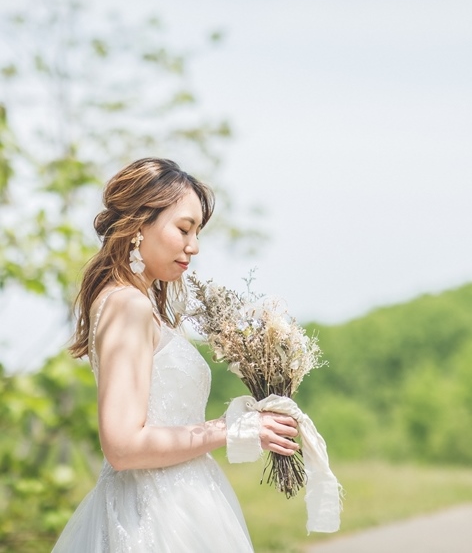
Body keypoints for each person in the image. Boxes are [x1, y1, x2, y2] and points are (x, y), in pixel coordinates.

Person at [53, 157, 300, 552]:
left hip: (181, 507)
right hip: (152, 519)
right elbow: (122, 446)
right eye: (183, 228)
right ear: (138, 225)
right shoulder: (127, 305)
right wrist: (230, 428)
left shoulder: (134, 304)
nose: (194, 246)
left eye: (197, 231)